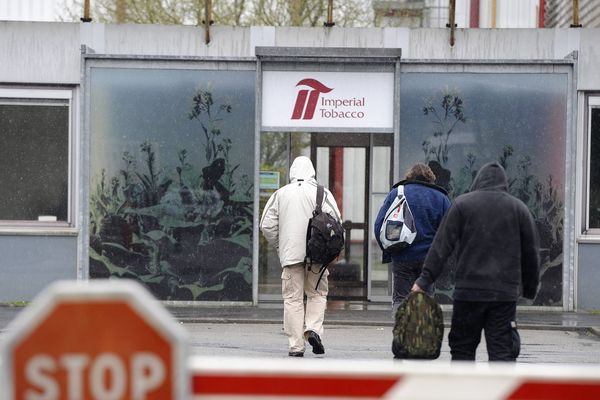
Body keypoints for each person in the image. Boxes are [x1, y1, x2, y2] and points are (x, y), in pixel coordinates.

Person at [412, 161, 540, 361]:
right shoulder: (518, 209)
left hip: (468, 293)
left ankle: (464, 391)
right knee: (502, 351)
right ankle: (500, 390)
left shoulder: (463, 205)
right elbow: (531, 252)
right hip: (503, 295)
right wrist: (530, 289)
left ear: (478, 180)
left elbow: (442, 245)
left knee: (462, 350)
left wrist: (424, 280)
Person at [260, 156, 342, 357]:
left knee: (293, 299)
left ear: (292, 172)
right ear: (312, 171)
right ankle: (312, 328)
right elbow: (337, 224)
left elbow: (266, 225)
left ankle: (296, 346)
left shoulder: (281, 194)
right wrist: (333, 251)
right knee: (317, 294)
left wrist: (282, 245)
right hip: (318, 257)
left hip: (291, 256)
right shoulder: (322, 193)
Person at [374, 163, 450, 315]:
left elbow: (379, 225)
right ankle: (422, 333)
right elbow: (448, 231)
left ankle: (402, 333)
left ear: (409, 176)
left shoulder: (397, 193)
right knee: (426, 298)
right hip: (428, 258)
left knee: (401, 299)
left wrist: (389, 250)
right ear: (431, 178)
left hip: (402, 255)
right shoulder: (441, 198)